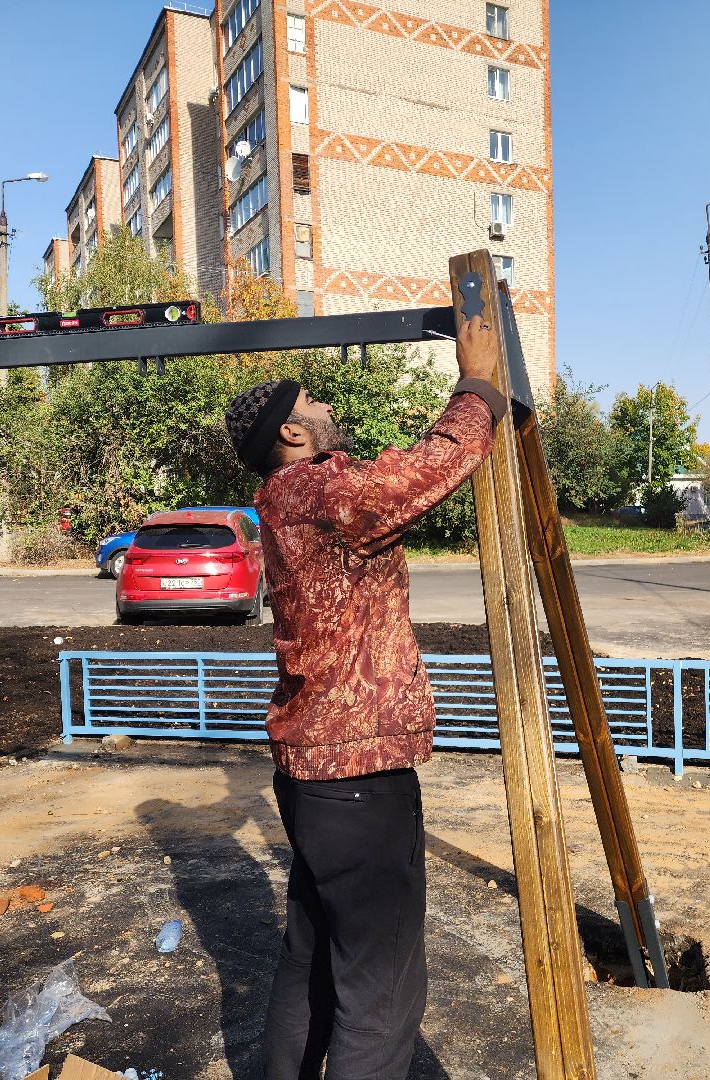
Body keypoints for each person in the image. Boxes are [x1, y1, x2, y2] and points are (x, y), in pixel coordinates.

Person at [223, 317, 504, 1080]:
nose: (324, 408)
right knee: (380, 995)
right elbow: (432, 466)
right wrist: (477, 385)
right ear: (292, 429)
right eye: (312, 402)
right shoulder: (318, 491)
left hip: (313, 778)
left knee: (311, 960)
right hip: (358, 781)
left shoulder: (282, 500)